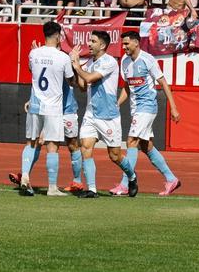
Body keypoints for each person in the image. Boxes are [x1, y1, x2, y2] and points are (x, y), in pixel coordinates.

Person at [110, 32, 182, 197]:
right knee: (145, 145)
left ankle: (126, 183)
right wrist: (116, 104)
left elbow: (163, 82)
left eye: (127, 44)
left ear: (136, 43)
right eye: (123, 44)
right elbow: (128, 88)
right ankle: (171, 179)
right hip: (135, 108)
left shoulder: (148, 59)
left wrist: (173, 107)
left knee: (131, 141)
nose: (124, 47)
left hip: (147, 107)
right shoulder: (125, 62)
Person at [69, 31, 138, 198]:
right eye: (89, 40)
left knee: (114, 156)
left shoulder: (110, 62)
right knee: (85, 147)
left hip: (108, 117)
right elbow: (84, 86)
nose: (89, 44)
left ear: (102, 45)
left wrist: (78, 67)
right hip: (91, 114)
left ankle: (132, 177)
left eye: (93, 41)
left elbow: (91, 79)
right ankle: (92, 189)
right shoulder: (90, 63)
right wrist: (75, 66)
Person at [18, 21, 75, 197]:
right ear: (58, 36)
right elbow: (71, 80)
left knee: (31, 142)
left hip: (35, 103)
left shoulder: (34, 53)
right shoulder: (63, 57)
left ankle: (25, 175)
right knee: (52, 146)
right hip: (53, 106)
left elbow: (30, 69)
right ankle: (52, 187)